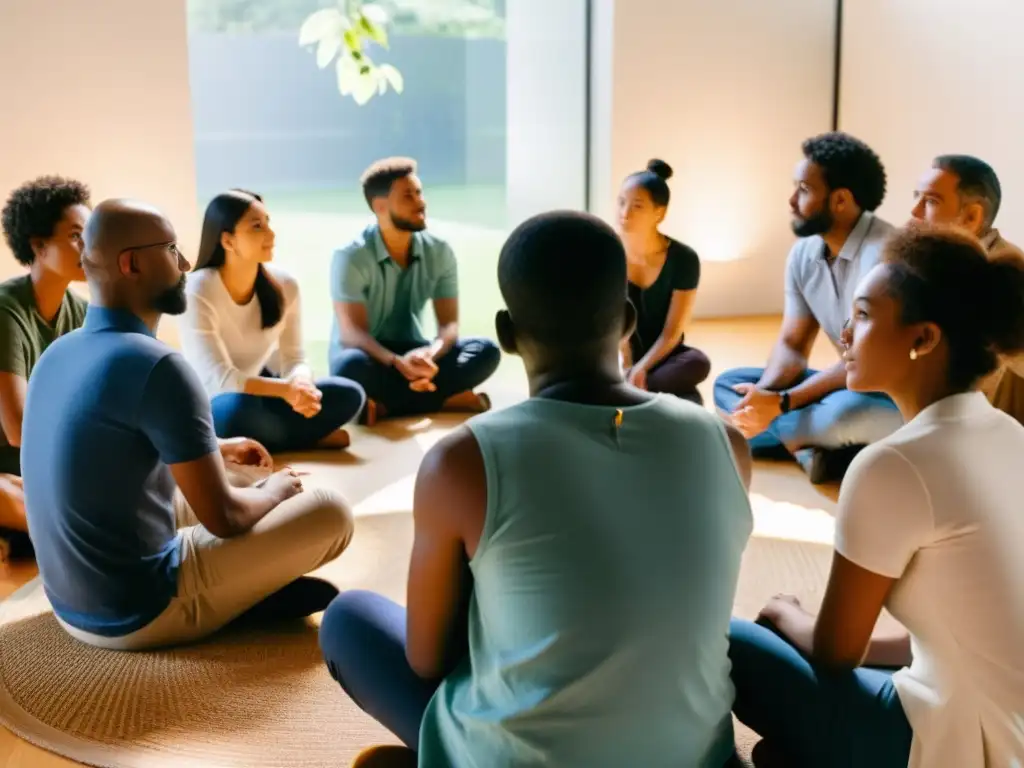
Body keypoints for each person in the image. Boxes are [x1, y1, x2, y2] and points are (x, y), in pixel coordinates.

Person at [319, 211, 754, 767]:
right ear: (626, 321)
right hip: (692, 759)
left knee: (348, 619)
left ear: (505, 334)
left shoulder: (462, 461)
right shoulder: (726, 445)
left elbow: (427, 658)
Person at [729, 225, 1024, 768]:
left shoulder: (892, 464)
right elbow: (960, 633)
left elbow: (836, 653)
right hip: (1008, 731)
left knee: (729, 642)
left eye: (863, 315)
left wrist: (783, 612)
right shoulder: (1010, 434)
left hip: (953, 742)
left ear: (923, 339)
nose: (844, 333)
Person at [20, 198, 354, 650]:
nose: (186, 262)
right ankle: (234, 600)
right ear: (131, 263)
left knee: (240, 473)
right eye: (172, 249)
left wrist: (220, 448)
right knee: (329, 508)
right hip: (139, 612)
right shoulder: (159, 365)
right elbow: (226, 518)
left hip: (68, 606)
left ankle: (244, 587)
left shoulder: (58, 352)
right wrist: (279, 488)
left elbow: (111, 456)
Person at [714, 132, 903, 484]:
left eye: (803, 189)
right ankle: (815, 451)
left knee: (846, 416)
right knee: (730, 383)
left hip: (888, 399)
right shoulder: (804, 253)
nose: (790, 200)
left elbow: (863, 358)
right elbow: (793, 343)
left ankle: (805, 441)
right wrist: (764, 395)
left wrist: (783, 403)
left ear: (841, 200)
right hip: (845, 385)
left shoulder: (886, 257)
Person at [181, 189, 365, 453]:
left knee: (349, 394)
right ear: (228, 241)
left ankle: (274, 440)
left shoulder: (285, 285)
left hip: (265, 394)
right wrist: (285, 391)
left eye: (268, 222)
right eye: (257, 226)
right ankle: (307, 438)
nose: (271, 233)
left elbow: (295, 359)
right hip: (216, 403)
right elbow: (220, 380)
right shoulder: (198, 289)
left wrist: (300, 386)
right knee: (236, 413)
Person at [328, 157, 500, 424]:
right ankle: (445, 399)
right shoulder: (351, 256)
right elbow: (352, 334)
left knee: (486, 350)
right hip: (371, 355)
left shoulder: (439, 251)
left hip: (416, 352)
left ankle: (386, 405)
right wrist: (398, 363)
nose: (421, 202)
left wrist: (430, 355)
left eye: (419, 192)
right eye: (408, 195)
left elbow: (449, 325)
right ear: (380, 206)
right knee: (348, 367)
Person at [0, 175, 90, 550]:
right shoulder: (6, 310)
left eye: (90, 233)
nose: (88, 246)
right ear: (39, 246)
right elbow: (19, 430)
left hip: (43, 467)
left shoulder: (84, 312)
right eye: (74, 236)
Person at [909, 154, 1024, 425]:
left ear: (972, 217)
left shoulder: (1010, 277)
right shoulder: (927, 261)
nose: (914, 212)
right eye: (917, 197)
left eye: (931, 201)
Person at [617, 159, 711, 404]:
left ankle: (632, 393)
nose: (624, 213)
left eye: (637, 206)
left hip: (664, 357)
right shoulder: (609, 252)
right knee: (690, 400)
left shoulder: (684, 259)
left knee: (697, 363)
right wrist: (628, 367)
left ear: (660, 213)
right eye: (621, 203)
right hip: (616, 358)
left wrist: (641, 370)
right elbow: (617, 327)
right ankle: (646, 393)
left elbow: (672, 332)